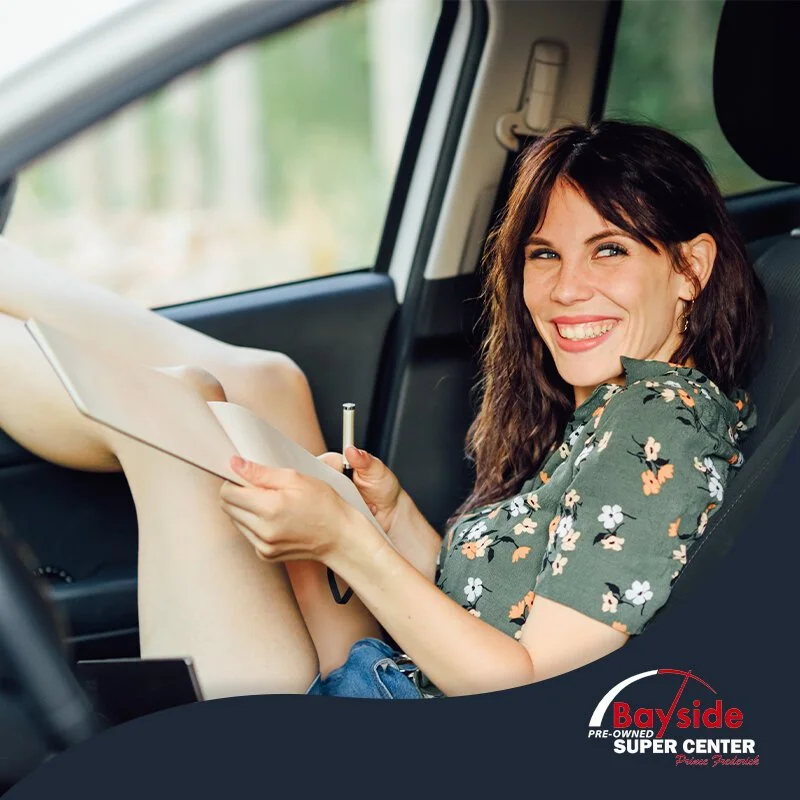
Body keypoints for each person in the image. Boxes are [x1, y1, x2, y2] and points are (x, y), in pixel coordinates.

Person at [0, 120, 768, 701]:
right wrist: (395, 519)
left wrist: (346, 544)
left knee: (176, 417)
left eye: (609, 251)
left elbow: (526, 689)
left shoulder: (653, 427)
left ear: (689, 267)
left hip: (397, 718)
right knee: (264, 383)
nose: (566, 289)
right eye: (544, 254)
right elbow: (516, 600)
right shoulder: (624, 403)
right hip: (395, 674)